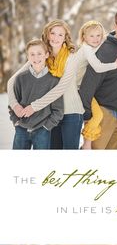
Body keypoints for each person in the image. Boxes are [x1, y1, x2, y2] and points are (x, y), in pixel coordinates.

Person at [8, 20, 85, 149]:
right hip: (50, 114)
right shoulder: (42, 55)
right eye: (53, 33)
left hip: (71, 113)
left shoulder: (71, 57)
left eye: (61, 34)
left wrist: (34, 106)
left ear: (65, 37)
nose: (56, 37)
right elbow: (12, 81)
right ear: (47, 34)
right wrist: (15, 105)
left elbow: (60, 88)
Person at [79, 9, 117, 149]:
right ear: (115, 26)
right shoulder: (106, 49)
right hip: (103, 113)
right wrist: (87, 116)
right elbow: (89, 83)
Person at [8, 39, 63, 149]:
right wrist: (16, 122)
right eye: (32, 54)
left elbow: (58, 110)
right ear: (27, 57)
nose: (36, 57)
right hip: (21, 129)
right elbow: (13, 103)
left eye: (39, 54)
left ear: (46, 55)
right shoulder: (20, 78)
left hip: (42, 131)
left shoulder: (54, 81)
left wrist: (46, 127)